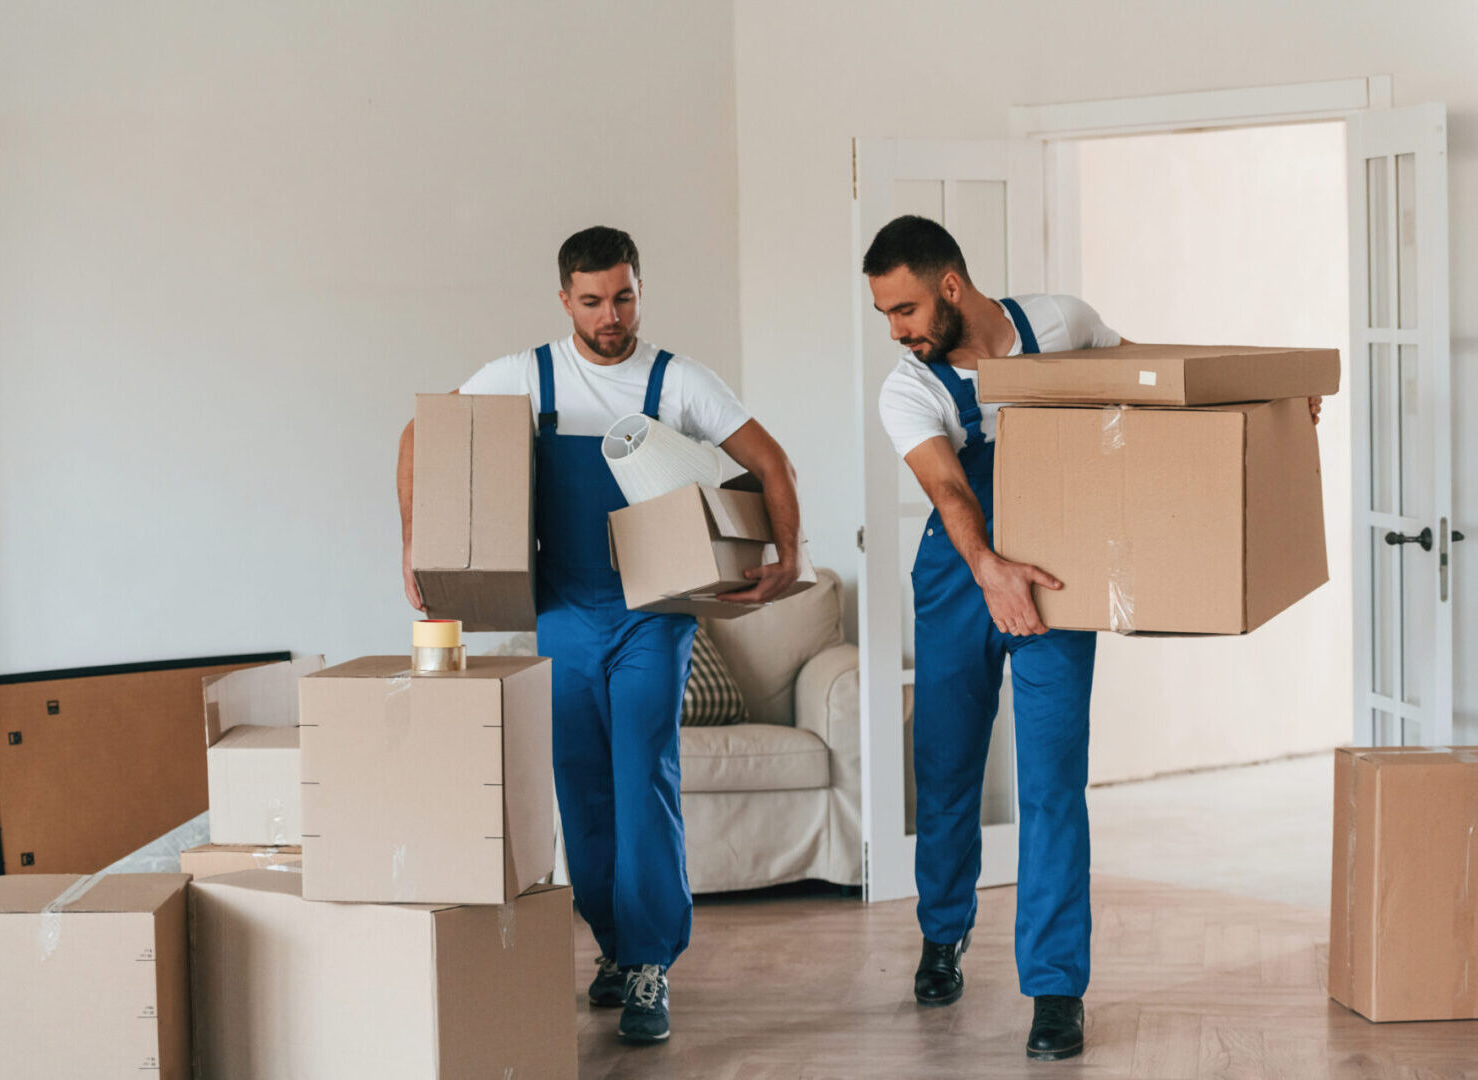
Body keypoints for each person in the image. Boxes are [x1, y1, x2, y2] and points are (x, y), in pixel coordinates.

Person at [865, 215, 1322, 1061]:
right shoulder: (909, 388)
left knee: (1050, 783)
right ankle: (942, 933)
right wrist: (988, 568)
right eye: (887, 315)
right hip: (961, 574)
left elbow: (1154, 385)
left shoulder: (1060, 324)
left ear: (951, 288)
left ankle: (1055, 989)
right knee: (948, 766)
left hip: (1057, 573)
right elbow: (951, 493)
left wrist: (1274, 405)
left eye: (904, 310)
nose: (897, 331)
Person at [396, 226, 802, 1045]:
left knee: (641, 774)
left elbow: (772, 462)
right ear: (564, 300)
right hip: (563, 610)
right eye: (592, 300)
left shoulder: (678, 381)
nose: (609, 315)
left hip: (656, 613)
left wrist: (793, 554)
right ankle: (613, 948)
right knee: (580, 785)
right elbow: (420, 437)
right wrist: (418, 544)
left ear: (639, 290)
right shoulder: (526, 375)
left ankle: (652, 961)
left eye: (623, 297)